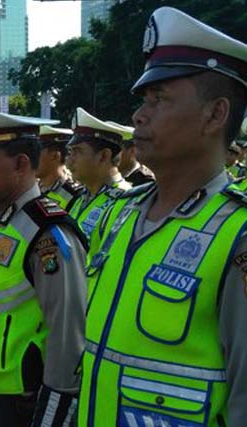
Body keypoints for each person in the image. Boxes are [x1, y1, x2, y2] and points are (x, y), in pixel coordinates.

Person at [78, 7, 247, 426]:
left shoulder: (236, 236)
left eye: (160, 99)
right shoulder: (119, 216)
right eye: (143, 100)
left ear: (215, 114)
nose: (138, 115)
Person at [0, 101, 87, 426]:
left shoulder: (48, 233)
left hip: (16, 407)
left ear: (21, 164)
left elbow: (68, 340)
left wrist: (51, 416)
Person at [66, 108, 132, 239]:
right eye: (70, 152)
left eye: (78, 151)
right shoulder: (82, 197)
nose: (69, 160)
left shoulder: (125, 201)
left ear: (104, 156)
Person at [36, 126, 83, 210]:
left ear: (55, 156)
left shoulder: (73, 195)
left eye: (37, 152)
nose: (31, 158)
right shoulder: (32, 189)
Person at [113, 121, 156, 186]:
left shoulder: (146, 182)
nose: (109, 156)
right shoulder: (105, 175)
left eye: (115, 150)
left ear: (133, 151)